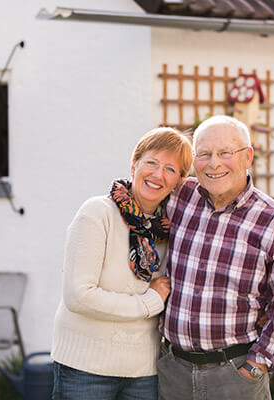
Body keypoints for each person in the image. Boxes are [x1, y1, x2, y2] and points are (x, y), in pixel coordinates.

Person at [158, 115, 274, 400]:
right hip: (172, 374)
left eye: (225, 153)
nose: (214, 164)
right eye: (204, 154)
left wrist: (256, 366)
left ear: (248, 157)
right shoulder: (178, 196)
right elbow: (139, 194)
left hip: (234, 377)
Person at [51, 127, 193, 400]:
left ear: (179, 181)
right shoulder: (97, 213)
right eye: (151, 163)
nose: (157, 174)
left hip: (143, 372)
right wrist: (149, 302)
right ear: (134, 164)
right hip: (85, 369)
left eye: (170, 169)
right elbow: (78, 296)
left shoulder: (169, 230)